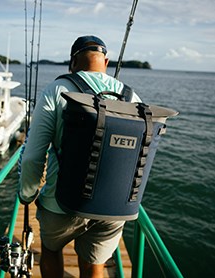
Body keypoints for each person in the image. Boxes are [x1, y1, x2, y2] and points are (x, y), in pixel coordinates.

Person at [18, 35, 142, 278]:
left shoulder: (56, 90)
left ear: (72, 62)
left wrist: (27, 193)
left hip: (61, 202)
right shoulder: (131, 97)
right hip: (113, 206)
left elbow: (33, 156)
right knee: (95, 262)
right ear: (106, 61)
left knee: (51, 250)